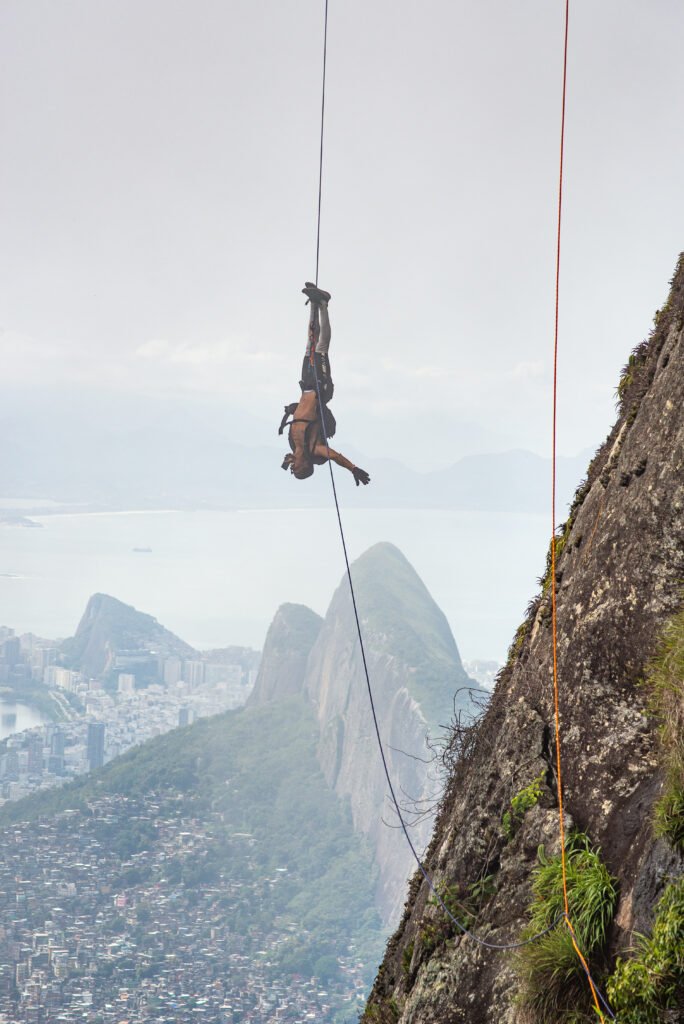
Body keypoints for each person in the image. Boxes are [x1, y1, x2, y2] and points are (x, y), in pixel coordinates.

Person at [280, 283, 371, 486]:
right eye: (297, 469)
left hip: (306, 388)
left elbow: (289, 460)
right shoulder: (315, 449)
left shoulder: (295, 449)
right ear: (306, 466)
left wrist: (289, 461)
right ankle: (323, 304)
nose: (293, 467)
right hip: (320, 389)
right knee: (321, 348)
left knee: (309, 344)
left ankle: (313, 303)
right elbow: (336, 456)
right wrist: (353, 468)